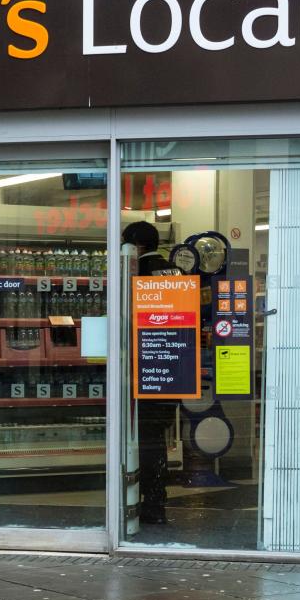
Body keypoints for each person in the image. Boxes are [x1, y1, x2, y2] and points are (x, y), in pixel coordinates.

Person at [122, 222, 178, 525]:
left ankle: (143, 500)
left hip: (142, 371)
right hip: (171, 370)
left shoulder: (134, 275)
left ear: (135, 246)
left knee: (141, 439)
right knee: (157, 439)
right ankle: (156, 498)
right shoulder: (176, 273)